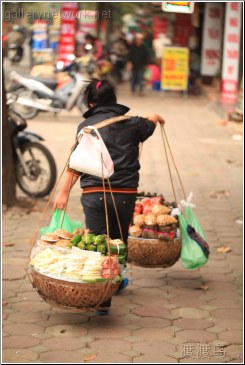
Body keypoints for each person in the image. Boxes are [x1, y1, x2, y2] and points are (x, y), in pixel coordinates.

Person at [53, 79, 165, 314]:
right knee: (117, 241)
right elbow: (151, 122)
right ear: (115, 102)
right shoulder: (134, 124)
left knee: (99, 245)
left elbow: (77, 164)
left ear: (92, 104)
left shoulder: (86, 127)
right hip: (125, 195)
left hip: (95, 195)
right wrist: (156, 115)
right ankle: (116, 281)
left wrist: (63, 192)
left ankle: (102, 300)